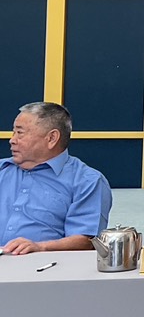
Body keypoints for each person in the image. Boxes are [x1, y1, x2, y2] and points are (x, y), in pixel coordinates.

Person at [1, 102, 113, 254]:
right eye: (13, 132)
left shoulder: (87, 181)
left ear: (52, 138)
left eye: (20, 133)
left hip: (46, 263)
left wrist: (40, 247)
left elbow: (85, 240)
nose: (12, 140)